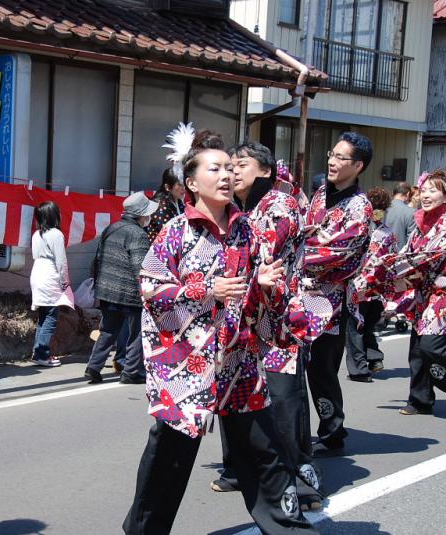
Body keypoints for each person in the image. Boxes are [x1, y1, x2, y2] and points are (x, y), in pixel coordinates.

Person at [123, 127, 318, 535]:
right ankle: (145, 531)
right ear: (191, 183)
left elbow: (255, 298)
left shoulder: (247, 231)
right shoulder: (175, 232)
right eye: (217, 168)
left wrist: (264, 285)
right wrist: (204, 290)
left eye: (231, 168)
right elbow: (150, 287)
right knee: (170, 456)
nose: (227, 175)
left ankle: (289, 529)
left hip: (238, 358)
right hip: (185, 366)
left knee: (263, 449)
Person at [210, 141, 328, 511]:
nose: (233, 172)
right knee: (235, 395)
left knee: (282, 402)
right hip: (240, 318)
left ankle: (300, 482)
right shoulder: (235, 209)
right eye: (229, 166)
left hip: (276, 323)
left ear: (264, 171)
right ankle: (239, 469)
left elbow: (260, 255)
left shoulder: (280, 204)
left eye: (240, 165)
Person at [353, 170, 446, 418]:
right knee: (417, 349)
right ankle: (420, 399)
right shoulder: (420, 222)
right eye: (424, 190)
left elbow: (425, 258)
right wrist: (378, 276)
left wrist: (384, 271)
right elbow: (407, 253)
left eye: (433, 190)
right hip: (424, 294)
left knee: (431, 347)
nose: (426, 195)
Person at [302, 132, 373, 457]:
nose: (331, 160)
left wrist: (291, 254)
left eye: (341, 157)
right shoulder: (320, 194)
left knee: (322, 371)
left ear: (357, 165)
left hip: (330, 303)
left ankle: (332, 432)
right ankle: (307, 431)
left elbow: (335, 252)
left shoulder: (359, 207)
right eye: (332, 153)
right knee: (296, 367)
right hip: (300, 295)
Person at [85, 192, 155, 384]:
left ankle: (93, 367)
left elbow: (98, 258)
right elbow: (140, 266)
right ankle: (131, 372)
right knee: (137, 333)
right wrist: (146, 291)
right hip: (130, 293)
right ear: (141, 215)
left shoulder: (111, 228)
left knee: (107, 330)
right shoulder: (138, 234)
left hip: (107, 290)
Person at [344, 187, 397, 382]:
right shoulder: (387, 233)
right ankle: (374, 357)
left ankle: (359, 369)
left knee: (355, 327)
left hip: (357, 285)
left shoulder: (357, 230)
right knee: (367, 326)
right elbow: (393, 261)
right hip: (377, 286)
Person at [30, 201, 72, 367]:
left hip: (37, 271)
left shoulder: (36, 234)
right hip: (49, 273)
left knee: (43, 315)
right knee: (51, 317)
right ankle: (42, 354)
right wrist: (65, 282)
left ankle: (38, 352)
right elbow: (61, 261)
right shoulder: (56, 234)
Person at [145, 168, 184, 242]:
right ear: (167, 187)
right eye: (179, 185)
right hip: (159, 250)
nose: (183, 188)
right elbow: (169, 233)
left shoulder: (179, 202)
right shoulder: (159, 205)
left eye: (183, 184)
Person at [384, 181, 416, 248]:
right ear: (407, 194)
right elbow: (411, 241)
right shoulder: (411, 212)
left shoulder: (382, 207)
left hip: (379, 253)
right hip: (399, 255)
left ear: (393, 193)